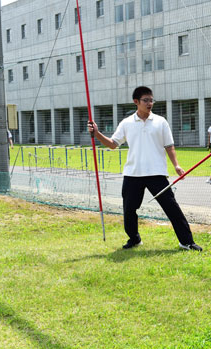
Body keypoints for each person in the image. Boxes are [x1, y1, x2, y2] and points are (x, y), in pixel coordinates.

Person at [87, 86, 203, 252]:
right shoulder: (126, 123)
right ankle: (134, 239)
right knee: (129, 210)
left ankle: (187, 242)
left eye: (151, 100)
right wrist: (97, 134)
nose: (150, 103)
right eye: (146, 100)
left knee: (172, 208)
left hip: (157, 173)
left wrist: (176, 165)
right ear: (136, 102)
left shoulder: (161, 122)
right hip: (132, 174)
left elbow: (169, 146)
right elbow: (113, 144)